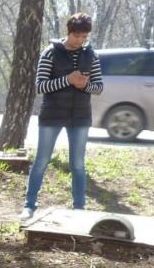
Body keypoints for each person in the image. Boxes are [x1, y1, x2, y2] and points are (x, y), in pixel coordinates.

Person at [21, 13, 104, 221]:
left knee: (78, 163)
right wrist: (67, 79)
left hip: (81, 116)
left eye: (84, 37)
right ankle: (29, 205)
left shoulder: (91, 55)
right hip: (52, 114)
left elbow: (99, 88)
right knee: (42, 160)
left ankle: (79, 208)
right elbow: (40, 87)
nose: (81, 41)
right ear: (69, 32)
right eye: (77, 36)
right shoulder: (50, 53)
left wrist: (85, 85)